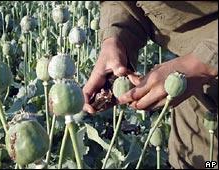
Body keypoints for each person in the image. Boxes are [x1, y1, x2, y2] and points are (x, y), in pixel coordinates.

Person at [83, 1, 218, 169]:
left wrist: (203, 62)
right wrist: (116, 37)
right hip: (196, 97)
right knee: (203, 163)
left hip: (198, 67)